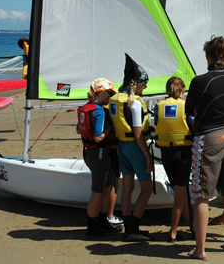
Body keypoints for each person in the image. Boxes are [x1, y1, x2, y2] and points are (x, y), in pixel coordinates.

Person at [185, 36, 224, 259]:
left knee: (201, 195)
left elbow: (189, 109)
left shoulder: (200, 81)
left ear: (207, 56)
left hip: (207, 136)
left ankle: (200, 250)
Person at [109, 54, 154, 242]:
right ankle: (134, 227)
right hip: (135, 149)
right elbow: (137, 134)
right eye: (144, 85)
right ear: (137, 83)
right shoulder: (134, 102)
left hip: (121, 148)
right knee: (147, 189)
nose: (145, 88)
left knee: (127, 188)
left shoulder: (115, 98)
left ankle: (127, 229)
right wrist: (148, 157)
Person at [76, 78, 120, 237]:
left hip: (88, 153)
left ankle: (102, 221)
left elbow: (78, 130)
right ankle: (92, 226)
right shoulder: (100, 111)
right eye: (109, 93)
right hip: (98, 153)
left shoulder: (85, 108)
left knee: (108, 186)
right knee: (97, 191)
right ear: (101, 93)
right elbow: (98, 137)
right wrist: (110, 128)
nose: (110, 97)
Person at [153, 76, 193, 243]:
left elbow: (157, 123)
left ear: (167, 91)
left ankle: (193, 227)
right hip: (183, 153)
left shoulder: (158, 106)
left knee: (180, 191)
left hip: (166, 153)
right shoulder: (186, 106)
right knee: (179, 194)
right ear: (183, 90)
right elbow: (194, 126)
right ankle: (173, 232)